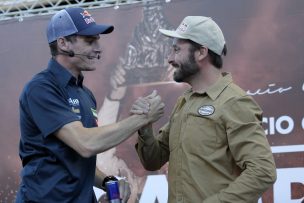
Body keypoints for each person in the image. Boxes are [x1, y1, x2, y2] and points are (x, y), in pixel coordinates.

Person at [16, 7, 164, 203]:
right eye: (89, 40)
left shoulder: (85, 95)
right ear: (63, 43)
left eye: (97, 39)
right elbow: (86, 144)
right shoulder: (41, 88)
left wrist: (107, 181)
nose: (98, 47)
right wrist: (143, 117)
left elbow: (78, 159)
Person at [133, 16, 277, 202]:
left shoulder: (234, 102)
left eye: (177, 50)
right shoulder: (184, 102)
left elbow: (263, 171)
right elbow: (153, 161)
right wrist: (145, 125)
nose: (170, 58)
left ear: (201, 53)